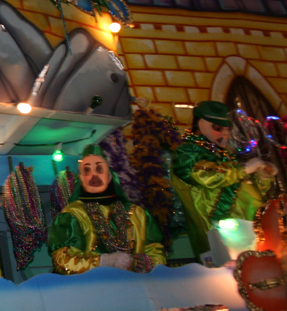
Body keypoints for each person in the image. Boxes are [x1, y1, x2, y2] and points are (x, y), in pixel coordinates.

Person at [171, 101, 275, 259]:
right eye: (218, 128)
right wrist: (244, 169)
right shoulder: (187, 153)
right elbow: (203, 175)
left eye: (227, 129)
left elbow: (247, 189)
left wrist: (262, 177)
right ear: (202, 124)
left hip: (250, 231)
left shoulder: (225, 156)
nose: (225, 134)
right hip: (221, 235)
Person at [48, 145, 166, 275]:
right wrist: (103, 261)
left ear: (110, 176)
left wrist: (147, 263)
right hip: (90, 290)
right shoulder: (72, 215)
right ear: (81, 179)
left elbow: (156, 251)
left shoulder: (137, 213)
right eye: (87, 171)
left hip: (135, 288)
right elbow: (62, 260)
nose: (94, 175)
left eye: (99, 169)